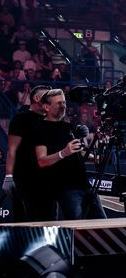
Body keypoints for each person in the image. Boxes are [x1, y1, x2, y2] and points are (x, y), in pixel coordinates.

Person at [35, 89, 106, 220]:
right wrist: (63, 153)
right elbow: (41, 161)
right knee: (76, 226)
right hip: (65, 188)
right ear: (46, 107)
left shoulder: (68, 127)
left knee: (102, 224)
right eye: (58, 103)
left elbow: (78, 153)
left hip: (85, 185)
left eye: (64, 103)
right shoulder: (40, 128)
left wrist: (96, 158)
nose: (63, 106)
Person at [4, 85, 53, 221]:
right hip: (24, 179)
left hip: (48, 180)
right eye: (47, 97)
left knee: (49, 222)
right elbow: (12, 149)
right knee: (24, 222)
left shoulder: (52, 120)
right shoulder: (21, 119)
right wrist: (8, 176)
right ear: (37, 98)